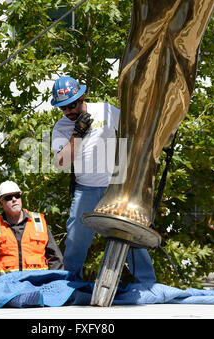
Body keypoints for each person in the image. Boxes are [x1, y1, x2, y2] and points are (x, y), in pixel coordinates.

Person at [51, 75, 156, 282]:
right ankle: (70, 284)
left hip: (116, 187)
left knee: (129, 233)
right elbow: (62, 163)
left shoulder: (105, 110)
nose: (68, 111)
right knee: (75, 239)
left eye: (71, 105)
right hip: (86, 190)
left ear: (82, 98)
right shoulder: (61, 127)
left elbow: (134, 128)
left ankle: (147, 283)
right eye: (63, 108)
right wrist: (77, 134)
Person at [0, 180, 64, 275]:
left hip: (37, 284)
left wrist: (56, 283)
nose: (14, 199)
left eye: (17, 196)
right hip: (5, 287)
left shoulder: (38, 222)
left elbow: (55, 257)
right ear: (1, 203)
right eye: (8, 197)